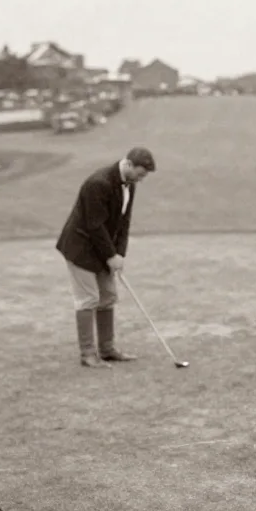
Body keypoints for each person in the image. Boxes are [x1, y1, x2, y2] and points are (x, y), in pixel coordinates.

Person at [55, 146, 157, 367]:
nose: (141, 180)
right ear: (129, 164)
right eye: (140, 174)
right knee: (89, 298)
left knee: (108, 295)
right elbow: (95, 225)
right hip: (80, 247)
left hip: (103, 248)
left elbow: (124, 222)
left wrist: (119, 254)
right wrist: (111, 256)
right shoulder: (98, 183)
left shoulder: (130, 184)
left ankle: (108, 349)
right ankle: (88, 354)